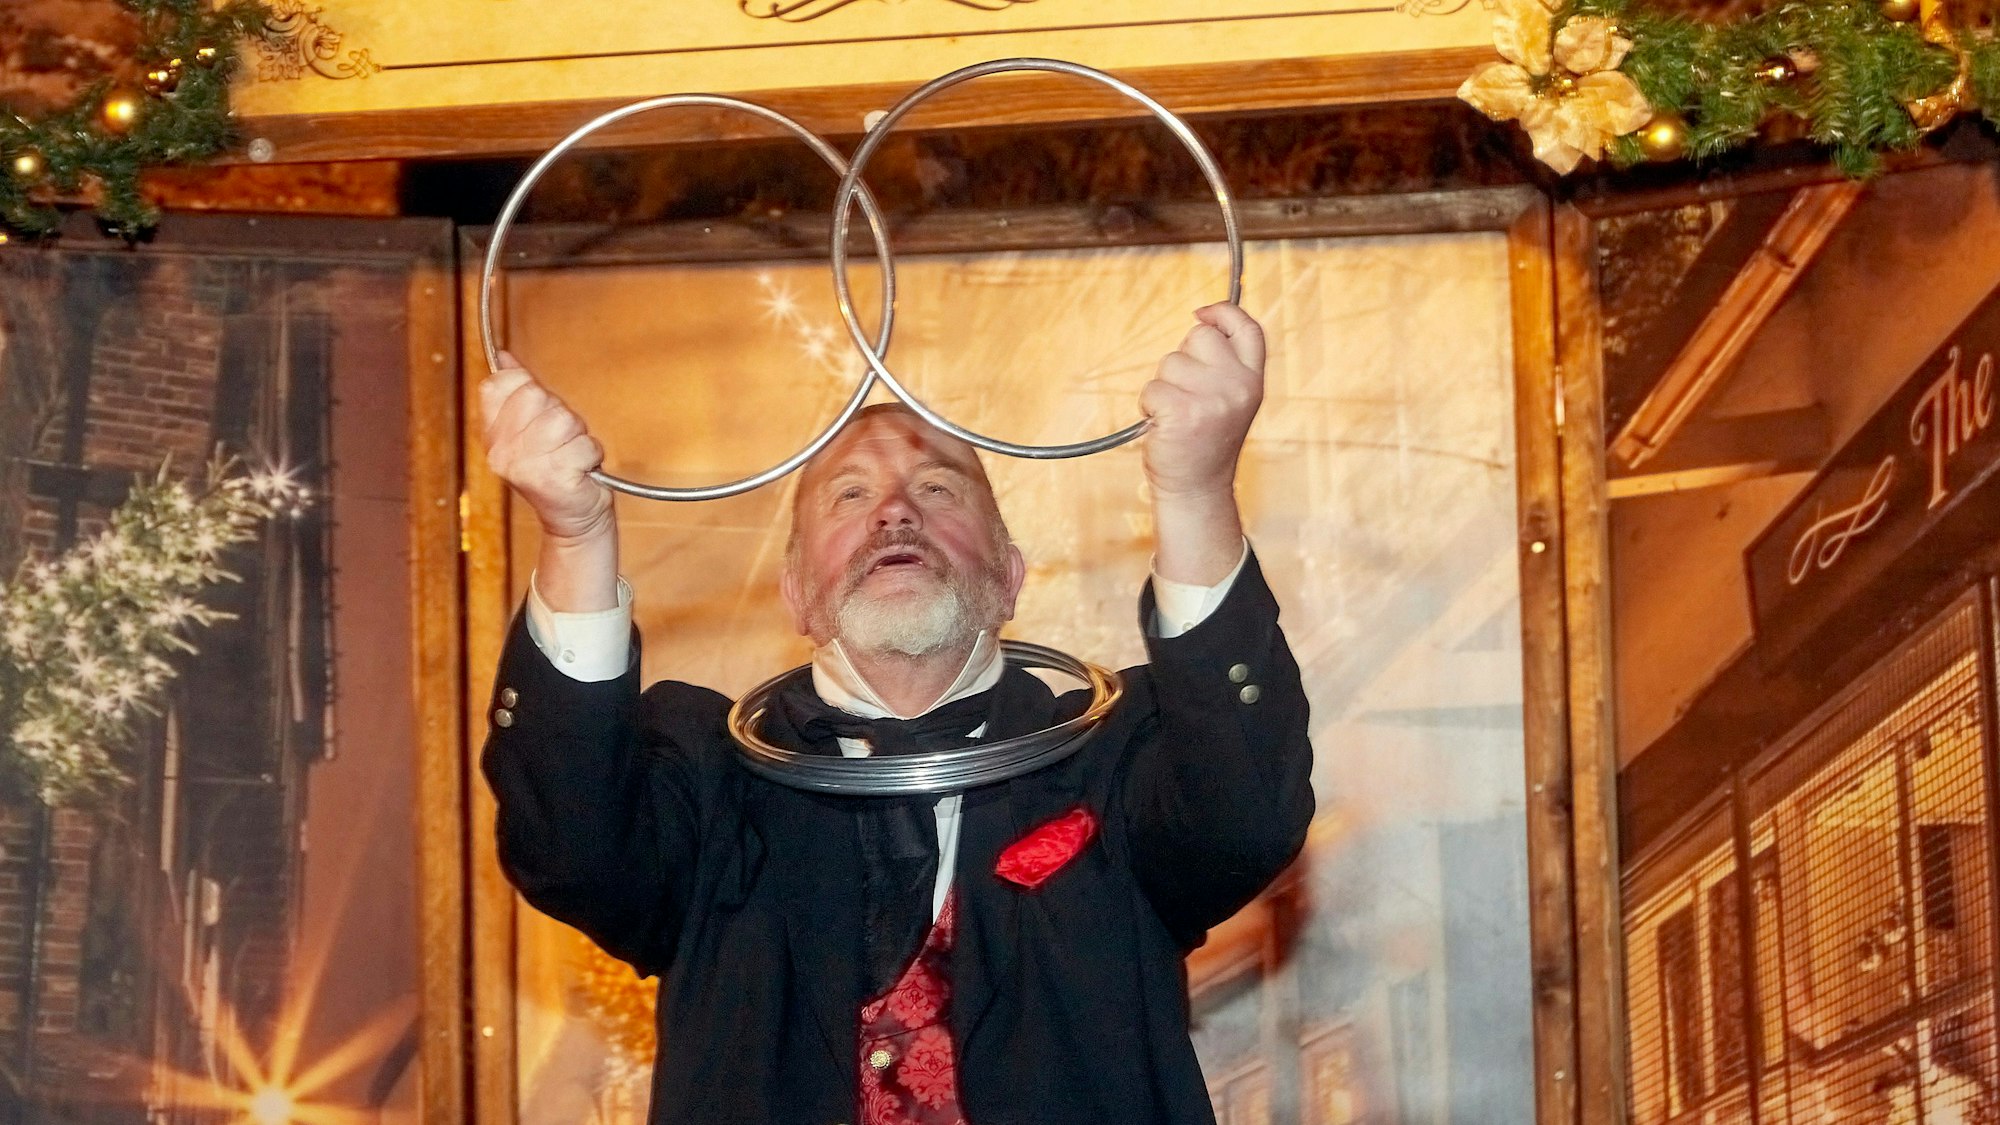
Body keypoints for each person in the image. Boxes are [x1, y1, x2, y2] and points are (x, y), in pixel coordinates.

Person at [479, 302, 1314, 1125]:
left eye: (938, 487)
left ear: (1009, 575)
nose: (895, 512)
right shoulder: (706, 787)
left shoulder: (1117, 759)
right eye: (849, 495)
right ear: (797, 592)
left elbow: (1242, 816)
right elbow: (568, 840)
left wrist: (1197, 489)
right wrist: (577, 534)